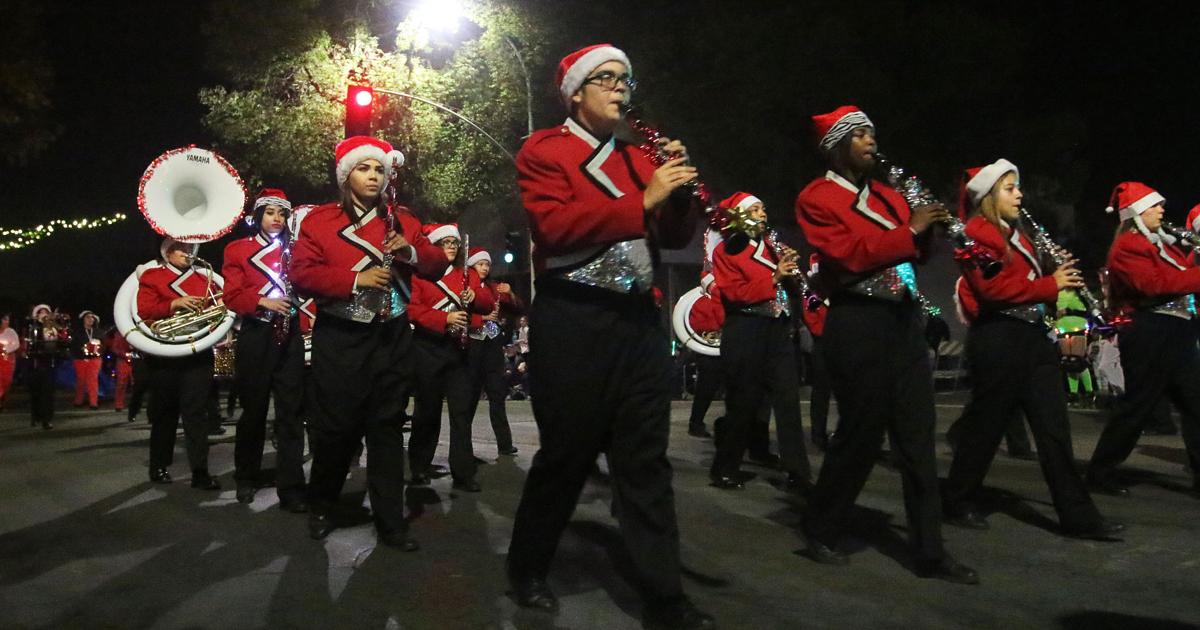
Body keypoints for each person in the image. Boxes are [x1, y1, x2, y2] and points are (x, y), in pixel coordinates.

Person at [506, 44, 714, 629]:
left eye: (626, 79)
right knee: (566, 456)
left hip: (637, 323)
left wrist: (679, 191)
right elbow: (553, 225)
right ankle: (527, 566)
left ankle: (665, 595)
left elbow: (670, 234)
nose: (621, 89)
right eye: (607, 79)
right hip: (573, 319)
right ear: (576, 92)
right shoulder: (544, 150)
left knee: (645, 461)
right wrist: (643, 197)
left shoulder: (636, 155)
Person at [793, 105, 977, 583]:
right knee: (860, 434)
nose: (872, 142)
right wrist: (910, 229)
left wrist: (934, 232)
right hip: (855, 322)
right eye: (860, 136)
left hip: (902, 322)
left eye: (873, 133)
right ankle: (821, 525)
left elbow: (912, 253)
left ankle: (931, 552)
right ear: (837, 145)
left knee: (918, 440)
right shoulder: (816, 197)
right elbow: (849, 257)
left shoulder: (892, 198)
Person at [940, 160, 1121, 540]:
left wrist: (1053, 277)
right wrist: (1050, 284)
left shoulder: (1018, 234)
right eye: (1009, 188)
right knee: (986, 430)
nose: (1019, 194)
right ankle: (956, 499)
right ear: (989, 195)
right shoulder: (974, 232)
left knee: (1054, 431)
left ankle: (1079, 517)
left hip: (1031, 337)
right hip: (999, 339)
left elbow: (1024, 283)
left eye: (1017, 187)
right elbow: (993, 291)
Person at [290, 135, 445, 549]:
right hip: (340, 337)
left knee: (387, 428)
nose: (374, 176)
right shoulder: (319, 221)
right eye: (364, 168)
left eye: (379, 169)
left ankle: (391, 520)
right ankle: (322, 503)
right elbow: (301, 274)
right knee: (337, 429)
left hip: (392, 335)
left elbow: (436, 263)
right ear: (346, 176)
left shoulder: (404, 219)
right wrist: (354, 279)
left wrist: (410, 251)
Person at [1086, 182, 1200, 497]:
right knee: (1137, 407)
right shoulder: (1129, 246)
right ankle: (1099, 471)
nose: (1162, 210)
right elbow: (1153, 284)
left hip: (1175, 331)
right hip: (1150, 331)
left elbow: (1180, 274)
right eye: (1154, 206)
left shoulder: (1162, 243)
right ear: (1136, 212)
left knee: (1196, 405)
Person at [710, 191, 811, 493]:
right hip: (745, 328)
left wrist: (792, 272)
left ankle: (797, 471)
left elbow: (792, 292)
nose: (763, 213)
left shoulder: (773, 246)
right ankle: (725, 468)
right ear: (740, 216)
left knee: (788, 400)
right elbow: (733, 293)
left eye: (764, 207)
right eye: (755, 208)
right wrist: (774, 278)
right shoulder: (727, 249)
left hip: (777, 330)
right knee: (743, 402)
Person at [221, 188, 309, 510]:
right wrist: (262, 300)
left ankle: (292, 487)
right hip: (257, 334)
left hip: (291, 335)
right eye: (270, 212)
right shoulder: (237, 249)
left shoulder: (297, 250)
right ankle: (246, 477)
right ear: (259, 215)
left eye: (282, 213)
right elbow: (231, 295)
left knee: (291, 413)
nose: (277, 219)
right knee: (254, 411)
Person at [406, 224, 495, 492]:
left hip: (458, 351)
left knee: (460, 413)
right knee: (427, 411)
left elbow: (488, 303)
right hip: (428, 349)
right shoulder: (420, 276)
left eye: (454, 243)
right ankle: (420, 465)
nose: (451, 247)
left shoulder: (465, 275)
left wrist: (475, 294)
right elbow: (413, 310)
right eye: (445, 242)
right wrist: (444, 318)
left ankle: (463, 472)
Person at [138, 238, 221, 489]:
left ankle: (200, 471)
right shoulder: (152, 275)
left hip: (198, 352)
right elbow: (145, 310)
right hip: (164, 353)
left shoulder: (204, 277)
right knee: (165, 413)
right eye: (182, 249)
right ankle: (159, 465)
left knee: (196, 413)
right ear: (167, 252)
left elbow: (219, 307)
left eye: (191, 249)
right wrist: (173, 304)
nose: (188, 253)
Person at [465, 246, 520, 456]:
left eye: (487, 264)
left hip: (492, 345)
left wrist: (510, 293)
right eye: (481, 264)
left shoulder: (494, 287)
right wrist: (482, 319)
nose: (485, 268)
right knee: (470, 397)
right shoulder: (465, 285)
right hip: (473, 344)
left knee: (497, 394)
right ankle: (464, 444)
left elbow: (517, 306)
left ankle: (504, 443)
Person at [685, 271, 722, 439]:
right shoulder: (700, 302)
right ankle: (696, 422)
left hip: (725, 346)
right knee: (705, 389)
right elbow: (700, 324)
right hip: (708, 351)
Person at [22, 304, 66, 429]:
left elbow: (62, 341)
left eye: (46, 312)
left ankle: (47, 419)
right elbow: (29, 344)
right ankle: (35, 416)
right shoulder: (32, 327)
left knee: (48, 393)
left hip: (49, 363)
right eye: (41, 312)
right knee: (35, 392)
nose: (44, 314)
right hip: (35, 363)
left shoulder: (53, 327)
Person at [70, 310, 103, 409]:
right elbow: (73, 346)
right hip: (80, 359)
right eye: (88, 317)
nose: (90, 319)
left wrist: (99, 349)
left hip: (95, 359)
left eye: (92, 317)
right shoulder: (77, 333)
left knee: (93, 380)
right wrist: (81, 349)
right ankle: (78, 400)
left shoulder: (98, 332)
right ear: (83, 319)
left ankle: (93, 402)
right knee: (81, 381)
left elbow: (103, 345)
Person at [0, 314, 19, 411]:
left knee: (7, 381)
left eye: (7, 320)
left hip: (8, 360)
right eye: (4, 320)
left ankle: (4, 402)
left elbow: (16, 344)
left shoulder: (11, 332)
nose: (7, 322)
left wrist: (5, 349)